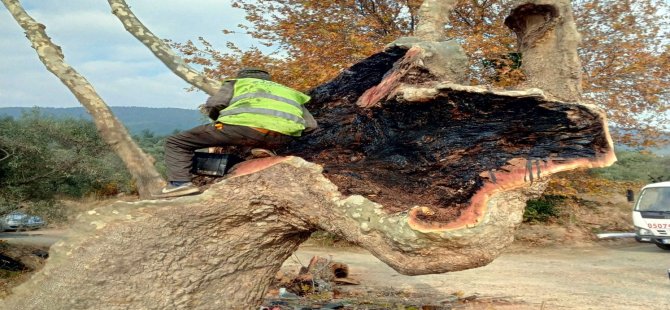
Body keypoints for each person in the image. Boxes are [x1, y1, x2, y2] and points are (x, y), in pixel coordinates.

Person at [156, 68, 317, 198]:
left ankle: (179, 184)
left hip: (240, 128)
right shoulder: (289, 92)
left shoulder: (236, 83)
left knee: (176, 142)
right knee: (251, 138)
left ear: (241, 77)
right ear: (269, 80)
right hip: (283, 137)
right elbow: (311, 125)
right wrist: (283, 133)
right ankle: (263, 150)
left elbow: (214, 104)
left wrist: (221, 121)